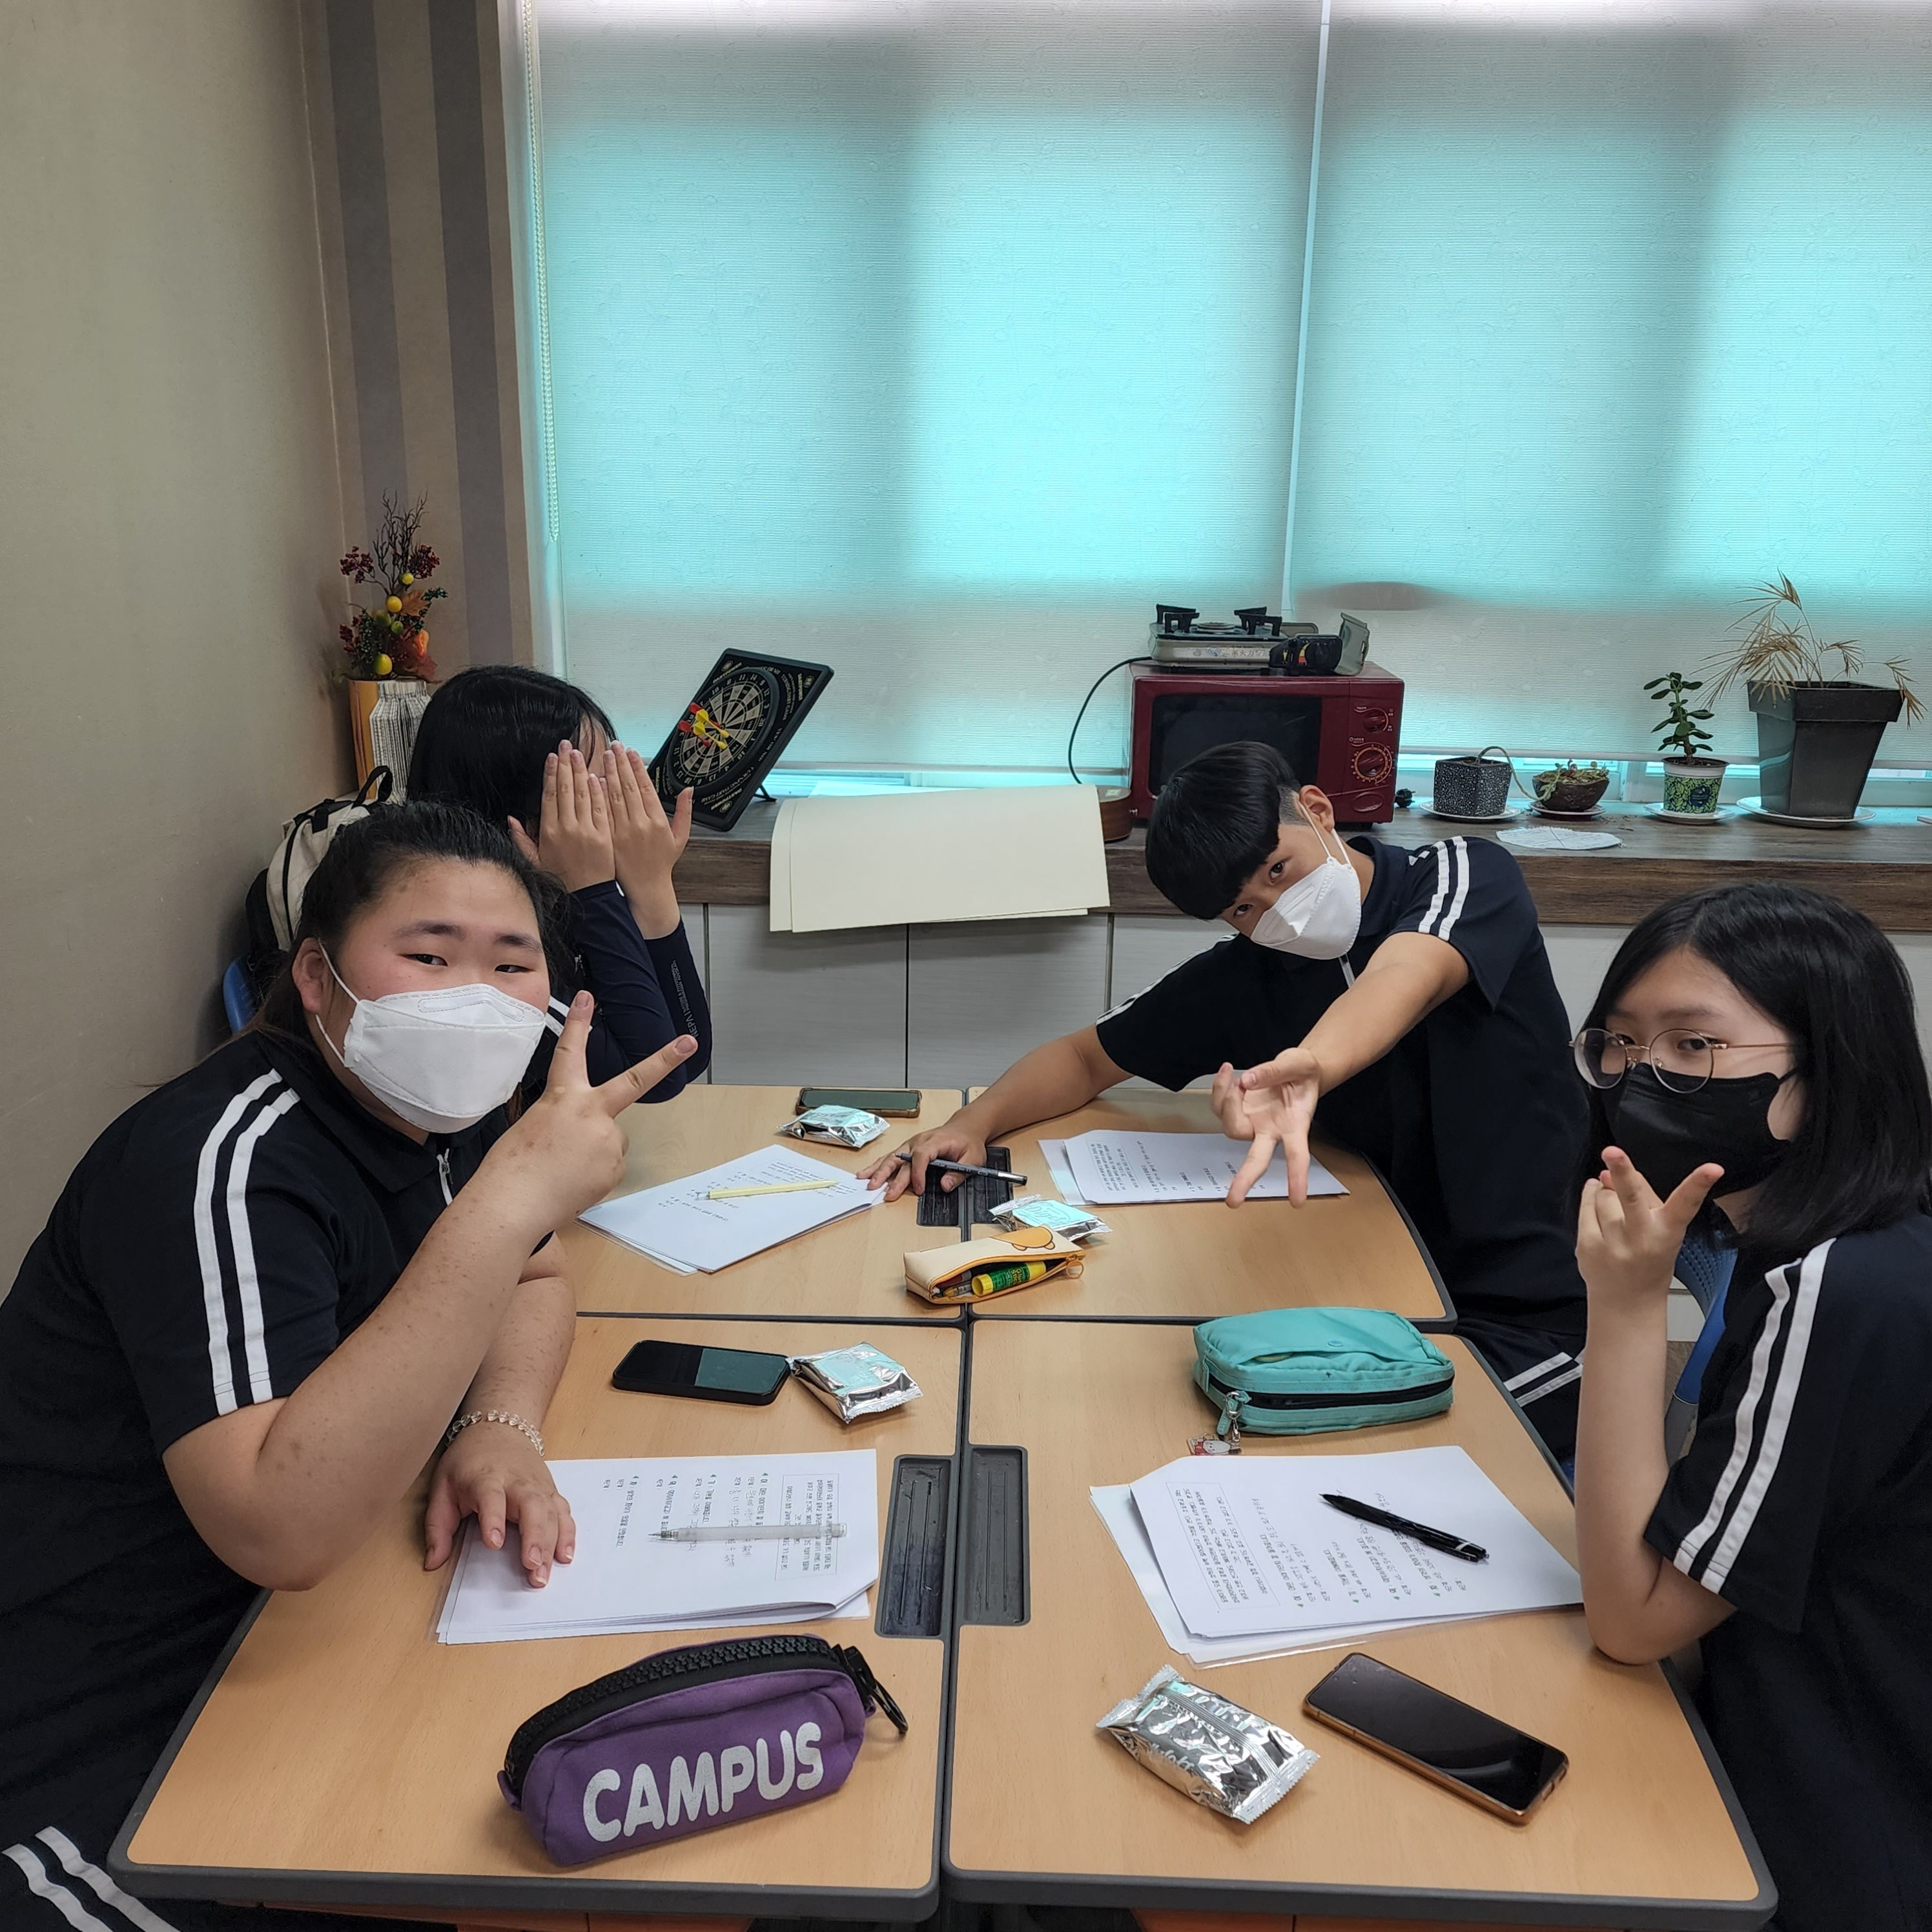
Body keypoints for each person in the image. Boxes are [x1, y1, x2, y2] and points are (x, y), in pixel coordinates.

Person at [0, 803, 696, 1929]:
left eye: (511, 963)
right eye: (429, 955)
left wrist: (499, 1426)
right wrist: (514, 1196)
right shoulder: (222, 1161)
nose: (474, 997)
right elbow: (280, 1530)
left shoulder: (452, 1115)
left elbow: (532, 1277)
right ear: (318, 977)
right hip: (106, 1710)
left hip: (317, 1628)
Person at [865, 741, 1588, 1455]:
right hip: (1371, 1292)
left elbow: (1406, 974)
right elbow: (1084, 1058)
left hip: (1530, 1301)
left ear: (1317, 811)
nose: (1278, 912)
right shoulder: (1252, 973)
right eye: (1244, 908)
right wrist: (973, 1120)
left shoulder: (1460, 875)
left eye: (1279, 870)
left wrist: (1311, 1064)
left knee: (1450, 1465)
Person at [1571, 882, 1932, 1932]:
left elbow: (1635, 1620)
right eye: (1620, 1043)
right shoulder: (1856, 1231)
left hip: (1835, 1836)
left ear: (1827, 1068)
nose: (1643, 1077)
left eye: (1695, 1045)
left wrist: (1625, 1307)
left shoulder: (1833, 1287)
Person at [407, 664, 711, 1096]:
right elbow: (654, 1078)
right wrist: (595, 892)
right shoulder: (483, 949)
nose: (610, 801)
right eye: (586, 786)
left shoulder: (548, 898)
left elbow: (689, 1054)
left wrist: (652, 886)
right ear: (519, 807)